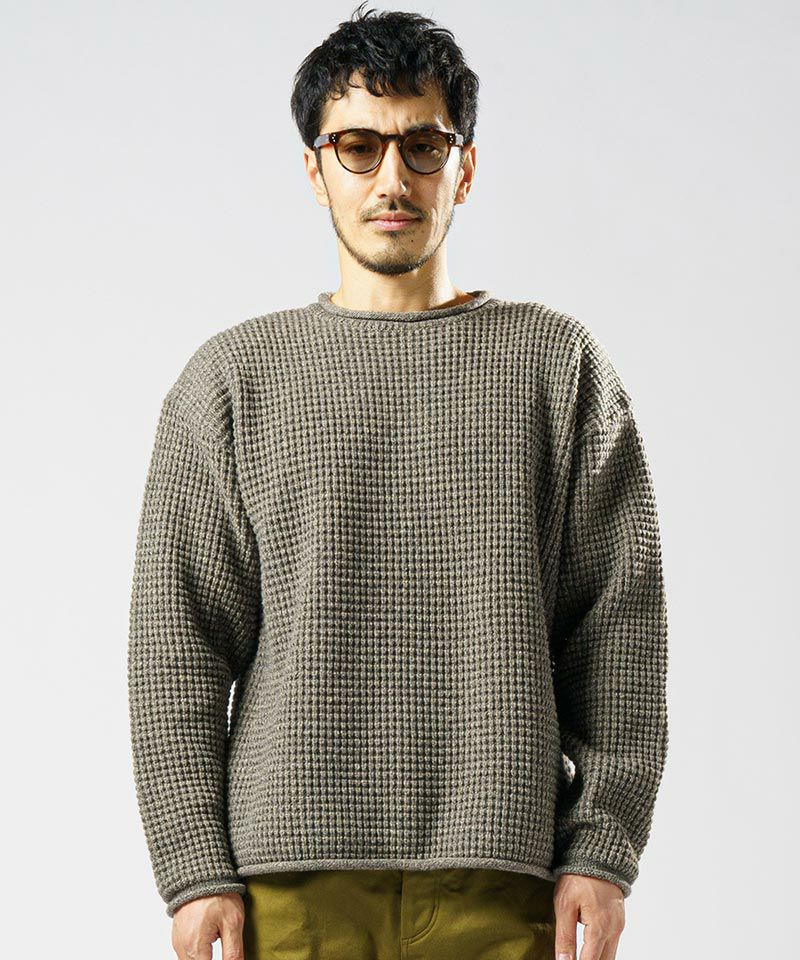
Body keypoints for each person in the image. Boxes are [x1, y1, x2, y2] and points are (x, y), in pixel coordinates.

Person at [127, 5, 669, 959]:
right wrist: (193, 865)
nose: (391, 179)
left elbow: (619, 623)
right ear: (315, 169)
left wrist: (604, 844)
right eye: (358, 146)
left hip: (507, 882)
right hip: (286, 889)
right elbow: (177, 642)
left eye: (422, 146)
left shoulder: (556, 366)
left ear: (466, 167)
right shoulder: (234, 381)